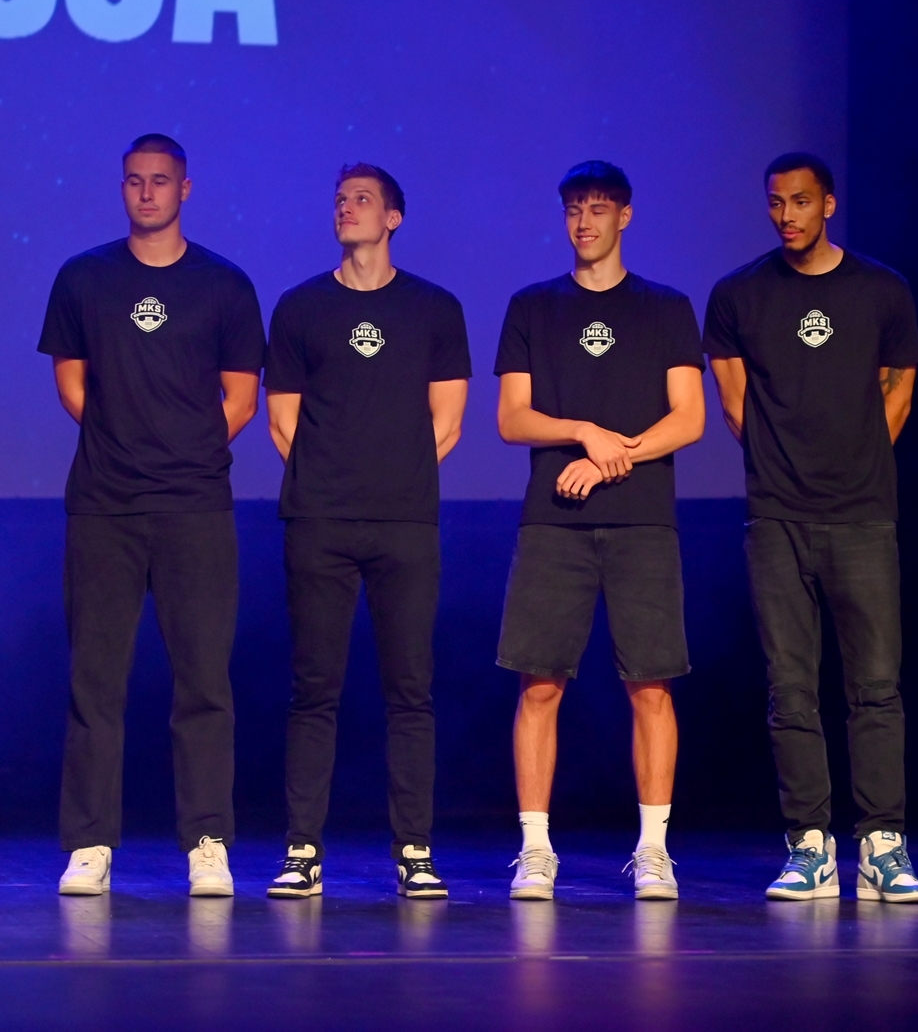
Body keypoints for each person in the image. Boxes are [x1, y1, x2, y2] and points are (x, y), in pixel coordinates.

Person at [41, 134, 265, 899]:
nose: (146, 193)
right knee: (94, 681)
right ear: (123, 188)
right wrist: (124, 441)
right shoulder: (83, 277)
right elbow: (72, 385)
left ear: (184, 189)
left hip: (194, 506)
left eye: (160, 181)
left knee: (203, 681)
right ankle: (89, 844)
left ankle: (207, 841)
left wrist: (183, 449)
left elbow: (241, 399)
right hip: (104, 505)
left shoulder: (224, 284)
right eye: (134, 181)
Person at [704, 152, 918, 902]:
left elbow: (899, 392)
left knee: (876, 686)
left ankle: (883, 845)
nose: (786, 215)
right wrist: (787, 471)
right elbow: (734, 402)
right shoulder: (738, 294)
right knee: (791, 687)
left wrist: (855, 465)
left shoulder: (882, 289)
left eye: (800, 201)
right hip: (777, 516)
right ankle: (810, 845)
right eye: (776, 202)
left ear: (828, 204)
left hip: (862, 515)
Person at [494, 161, 705, 901]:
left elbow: (690, 417)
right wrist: (585, 431)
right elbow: (512, 418)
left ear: (625, 216)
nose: (585, 222)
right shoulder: (532, 306)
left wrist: (613, 457)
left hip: (643, 521)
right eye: (574, 210)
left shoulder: (666, 307)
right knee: (539, 686)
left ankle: (653, 851)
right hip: (554, 523)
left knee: (651, 688)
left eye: (598, 209)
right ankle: (535, 851)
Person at [262, 163, 471, 900]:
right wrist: (333, 481)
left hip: (404, 521)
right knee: (313, 689)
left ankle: (415, 849)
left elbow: (448, 422)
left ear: (393, 218)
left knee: (409, 690)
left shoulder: (434, 308)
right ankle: (302, 850)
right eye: (339, 199)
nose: (346, 208)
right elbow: (282, 422)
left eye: (362, 199)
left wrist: (390, 479)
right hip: (318, 521)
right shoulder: (299, 307)